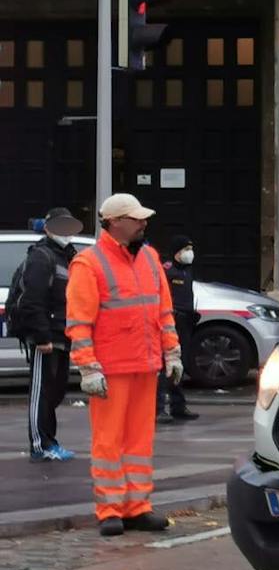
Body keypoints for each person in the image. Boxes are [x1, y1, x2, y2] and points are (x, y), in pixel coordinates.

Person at [66, 194, 183, 537]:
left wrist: (172, 352)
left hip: (145, 365)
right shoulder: (89, 263)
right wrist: (88, 368)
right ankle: (110, 509)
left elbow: (164, 311)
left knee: (139, 441)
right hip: (111, 368)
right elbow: (79, 322)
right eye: (136, 219)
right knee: (109, 441)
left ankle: (137, 506)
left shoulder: (149, 257)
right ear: (114, 222)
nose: (143, 223)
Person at [12, 207, 83, 461]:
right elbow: (33, 300)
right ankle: (41, 446)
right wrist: (41, 337)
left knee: (56, 391)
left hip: (62, 335)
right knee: (41, 392)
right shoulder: (42, 257)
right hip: (47, 337)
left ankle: (50, 441)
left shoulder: (67, 256)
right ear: (49, 228)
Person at [156, 234, 199, 422]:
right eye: (185, 250)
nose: (190, 254)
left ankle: (178, 406)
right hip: (171, 323)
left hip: (185, 323)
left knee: (180, 365)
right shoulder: (168, 271)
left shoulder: (186, 271)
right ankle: (158, 409)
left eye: (191, 249)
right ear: (176, 252)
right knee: (166, 366)